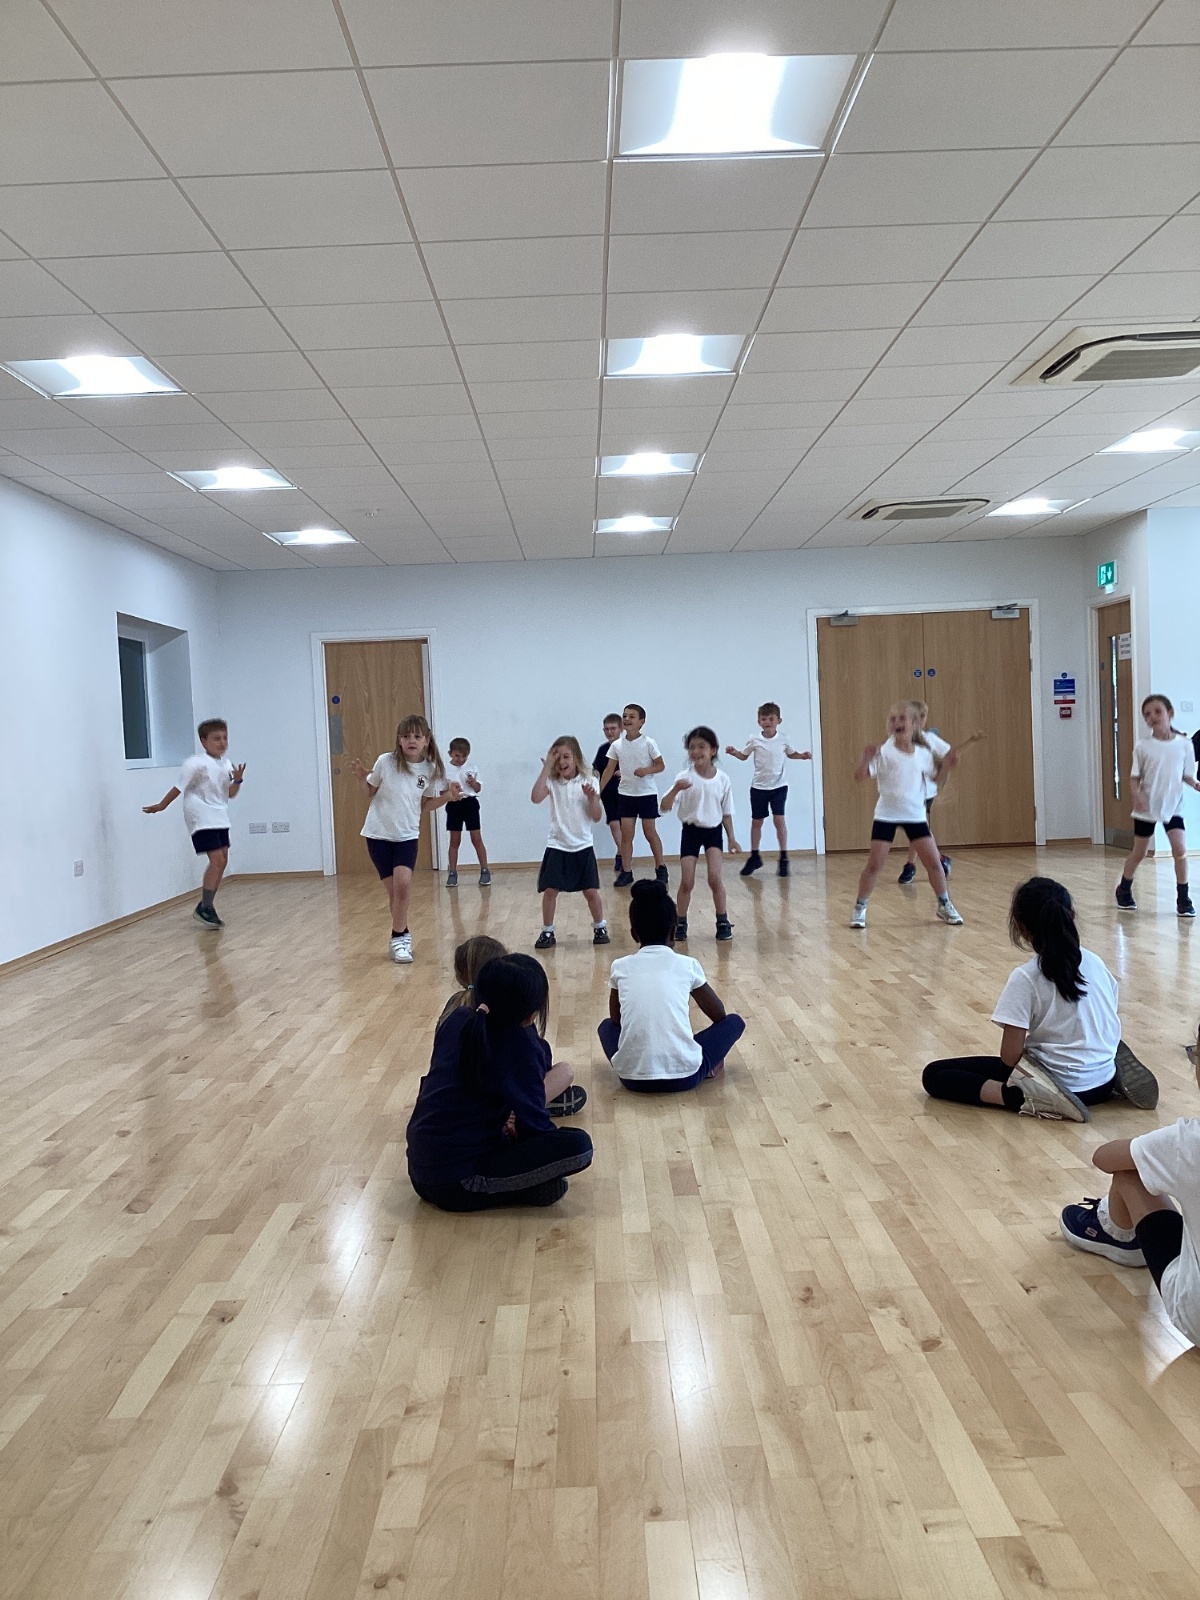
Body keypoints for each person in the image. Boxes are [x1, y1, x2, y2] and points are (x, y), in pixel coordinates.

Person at [922, 876, 1158, 1121]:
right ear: (1072, 916)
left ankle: (1029, 1097)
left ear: (1020, 926)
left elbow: (1009, 1057)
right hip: (1102, 1084)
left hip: (1058, 1082)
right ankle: (1103, 1071)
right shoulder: (1095, 962)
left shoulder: (1026, 977)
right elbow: (1108, 1012)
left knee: (935, 1074)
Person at [406, 954, 594, 1211]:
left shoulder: (457, 1019)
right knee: (580, 1146)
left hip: (419, 1172)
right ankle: (521, 1187)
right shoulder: (520, 1047)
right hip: (459, 1183)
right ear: (532, 1015)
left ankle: (521, 1183)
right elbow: (535, 1129)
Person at [1058, 1025, 1200, 1346]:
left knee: (1131, 1172)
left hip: (1197, 1318)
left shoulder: (1189, 1141)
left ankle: (1117, 1232)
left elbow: (1104, 1158)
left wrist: (1150, 1148)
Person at [599, 879, 745, 1092]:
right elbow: (719, 1015)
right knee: (734, 1022)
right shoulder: (687, 965)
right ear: (673, 932)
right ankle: (704, 1065)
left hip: (632, 1080)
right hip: (685, 1078)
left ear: (634, 934)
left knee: (605, 1026)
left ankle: (643, 1060)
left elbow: (616, 1021)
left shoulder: (620, 967)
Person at [436, 936, 585, 1115]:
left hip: (443, 1101)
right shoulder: (513, 1014)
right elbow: (535, 1067)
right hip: (493, 1105)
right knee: (565, 1072)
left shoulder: (453, 1010)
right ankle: (522, 1110)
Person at [350, 714, 454, 964]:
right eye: (406, 736)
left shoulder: (430, 770)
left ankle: (399, 938)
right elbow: (369, 792)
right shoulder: (385, 762)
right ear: (399, 740)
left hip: (407, 836)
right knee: (395, 893)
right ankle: (402, 934)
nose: (411, 740)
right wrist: (362, 779)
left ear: (426, 740)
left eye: (417, 736)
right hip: (378, 836)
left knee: (403, 887)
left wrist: (447, 797)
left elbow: (425, 805)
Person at [850, 702, 962, 928]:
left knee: (934, 864)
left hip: (915, 816)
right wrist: (865, 758)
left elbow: (936, 778)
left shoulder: (923, 754)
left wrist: (947, 766)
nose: (897, 723)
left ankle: (944, 904)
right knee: (874, 865)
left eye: (902, 718)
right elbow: (860, 776)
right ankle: (860, 908)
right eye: (893, 719)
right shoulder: (884, 752)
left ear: (914, 724)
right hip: (886, 815)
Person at [143, 716, 245, 928]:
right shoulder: (194, 763)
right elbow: (178, 788)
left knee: (223, 860)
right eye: (216, 738)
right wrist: (162, 805)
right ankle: (205, 907)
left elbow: (231, 794)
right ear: (203, 741)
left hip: (219, 815)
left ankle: (206, 906)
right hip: (200, 815)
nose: (222, 742)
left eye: (225, 737)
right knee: (217, 860)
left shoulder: (226, 764)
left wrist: (238, 779)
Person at [1115, 694, 1199, 917]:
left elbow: (1186, 775)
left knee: (1180, 851)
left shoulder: (1185, 745)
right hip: (1146, 809)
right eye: (1147, 714)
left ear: (1170, 714)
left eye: (1157, 712)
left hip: (1173, 807)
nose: (1152, 717)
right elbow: (1134, 778)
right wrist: (1137, 797)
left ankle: (1183, 899)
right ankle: (1124, 888)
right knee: (1139, 852)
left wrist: (1195, 784)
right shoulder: (1143, 747)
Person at [661, 725, 741, 942]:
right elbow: (664, 806)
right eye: (692, 747)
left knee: (715, 878)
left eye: (701, 747)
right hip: (691, 832)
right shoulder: (684, 778)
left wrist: (732, 839)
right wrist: (676, 789)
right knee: (687, 881)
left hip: (713, 832)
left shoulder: (722, 779)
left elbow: (726, 813)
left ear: (713, 750)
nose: (696, 751)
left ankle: (722, 920)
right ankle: (680, 922)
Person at [531, 736, 609, 950]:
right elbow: (535, 797)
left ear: (576, 757)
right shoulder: (552, 781)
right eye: (557, 758)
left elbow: (596, 817)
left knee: (591, 891)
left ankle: (600, 927)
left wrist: (592, 798)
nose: (562, 762)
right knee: (550, 891)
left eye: (566, 756)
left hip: (582, 845)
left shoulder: (589, 780)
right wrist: (546, 768)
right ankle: (547, 931)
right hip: (558, 844)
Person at [896, 701, 981, 885]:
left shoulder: (930, 739)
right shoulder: (901, 738)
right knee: (917, 829)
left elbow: (951, 753)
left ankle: (912, 865)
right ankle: (939, 860)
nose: (921, 720)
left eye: (923, 716)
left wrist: (970, 741)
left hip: (924, 791)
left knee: (919, 828)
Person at [725, 701, 810, 877]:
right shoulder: (754, 739)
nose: (767, 722)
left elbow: (791, 754)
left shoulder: (783, 739)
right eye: (764, 719)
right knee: (757, 822)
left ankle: (784, 858)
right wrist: (734, 752)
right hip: (759, 787)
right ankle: (755, 856)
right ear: (759, 722)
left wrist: (802, 756)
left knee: (779, 820)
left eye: (771, 719)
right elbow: (744, 756)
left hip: (779, 786)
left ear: (779, 720)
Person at [601, 703, 667, 889]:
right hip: (626, 794)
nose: (627, 719)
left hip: (646, 794)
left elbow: (660, 765)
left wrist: (646, 770)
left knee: (649, 832)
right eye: (625, 716)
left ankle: (661, 868)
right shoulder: (617, 745)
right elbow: (608, 770)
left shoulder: (649, 743)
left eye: (631, 716)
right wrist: (599, 791)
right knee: (626, 835)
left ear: (641, 722)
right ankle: (626, 872)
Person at [443, 736, 491, 889]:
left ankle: (485, 870)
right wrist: (451, 792)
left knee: (476, 838)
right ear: (450, 754)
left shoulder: (472, 767)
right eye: (457, 756)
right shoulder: (445, 769)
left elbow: (478, 789)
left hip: (470, 804)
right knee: (454, 841)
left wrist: (473, 782)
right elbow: (442, 791)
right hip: (453, 804)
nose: (461, 759)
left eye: (464, 756)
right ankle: (452, 872)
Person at [594, 713, 625, 873]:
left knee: (625, 827)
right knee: (614, 824)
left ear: (621, 728)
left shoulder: (629, 748)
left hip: (627, 793)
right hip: (608, 792)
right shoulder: (603, 749)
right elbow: (596, 769)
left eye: (613, 728)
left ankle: (621, 854)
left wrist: (626, 772)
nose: (609, 732)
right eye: (606, 729)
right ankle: (624, 856)